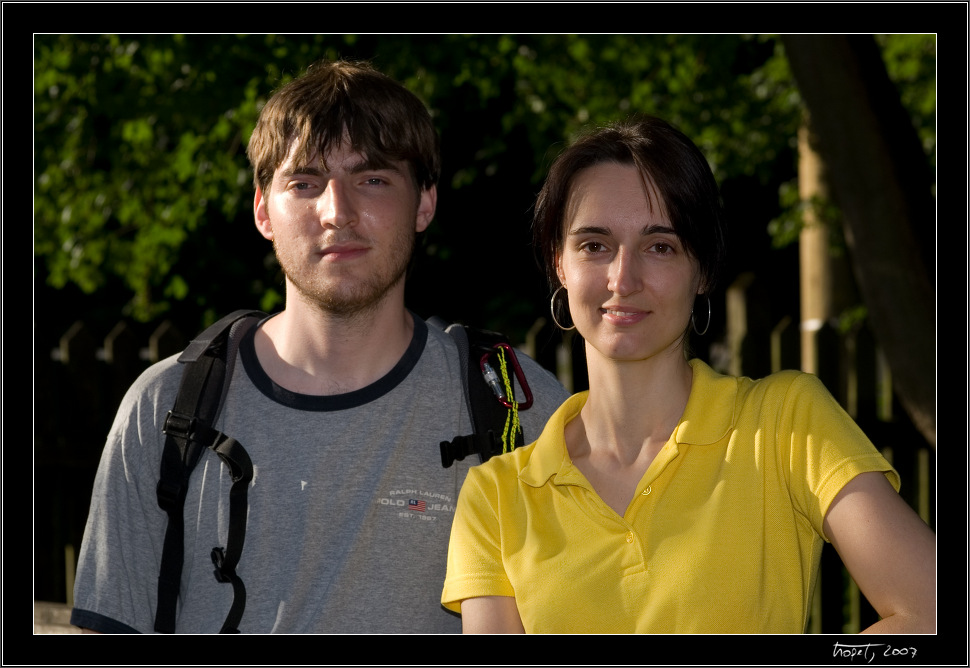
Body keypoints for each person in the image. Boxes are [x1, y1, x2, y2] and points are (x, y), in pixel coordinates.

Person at [70, 60, 570, 634]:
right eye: (304, 183)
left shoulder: (513, 408)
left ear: (425, 203)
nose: (337, 212)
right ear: (263, 209)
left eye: (373, 179)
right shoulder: (165, 410)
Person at [441, 116, 937, 634]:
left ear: (702, 271)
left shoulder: (786, 422)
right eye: (594, 245)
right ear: (558, 264)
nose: (623, 278)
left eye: (660, 246)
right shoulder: (495, 496)